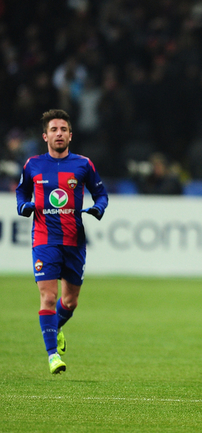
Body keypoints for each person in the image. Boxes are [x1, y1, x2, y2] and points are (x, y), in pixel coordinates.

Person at [16, 109, 108, 374]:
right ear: (45, 136)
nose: (59, 134)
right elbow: (21, 191)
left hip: (74, 240)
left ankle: (54, 329)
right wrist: (23, 206)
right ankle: (52, 356)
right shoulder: (33, 164)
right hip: (44, 239)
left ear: (70, 135)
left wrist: (98, 208)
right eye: (54, 130)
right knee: (48, 297)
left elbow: (101, 194)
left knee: (70, 301)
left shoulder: (83, 164)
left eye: (63, 129)